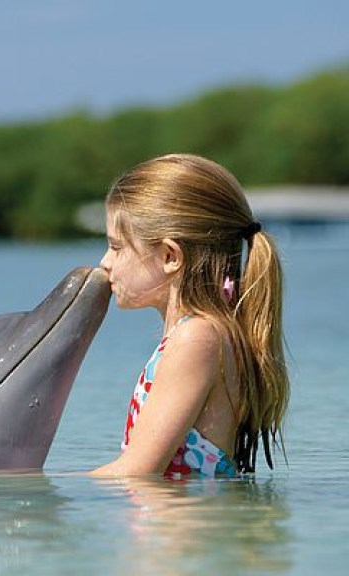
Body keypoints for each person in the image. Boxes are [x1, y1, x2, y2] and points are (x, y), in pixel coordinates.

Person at [90, 153, 289, 478]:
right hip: (183, 527)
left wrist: (32, 492)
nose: (105, 263)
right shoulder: (204, 333)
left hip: (189, 528)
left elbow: (136, 472)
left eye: (116, 247)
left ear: (170, 256)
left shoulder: (197, 337)